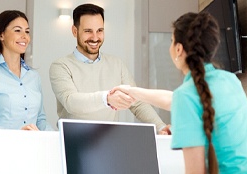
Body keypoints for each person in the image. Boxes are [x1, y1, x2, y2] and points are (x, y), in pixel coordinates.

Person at [111, 12, 247, 174]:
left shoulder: (188, 95)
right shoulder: (230, 80)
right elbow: (174, 100)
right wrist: (133, 91)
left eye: (172, 40)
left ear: (179, 49)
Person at [49, 3, 170, 134]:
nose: (95, 38)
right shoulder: (61, 66)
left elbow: (137, 103)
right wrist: (106, 98)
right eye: (88, 31)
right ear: (74, 31)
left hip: (109, 141)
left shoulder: (116, 64)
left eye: (99, 30)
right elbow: (71, 102)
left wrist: (160, 127)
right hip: (73, 142)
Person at [0, 10, 53, 131]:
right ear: (1, 35)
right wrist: (16, 135)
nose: (25, 36)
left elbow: (40, 120)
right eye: (18, 30)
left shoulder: (34, 76)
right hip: (1, 147)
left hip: (32, 147)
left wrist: (56, 138)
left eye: (27, 31)